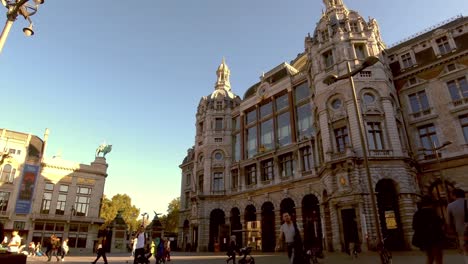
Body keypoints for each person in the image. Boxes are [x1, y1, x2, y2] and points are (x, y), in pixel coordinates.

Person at [412, 195, 445, 264]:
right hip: (435, 238)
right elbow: (439, 225)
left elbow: (414, 227)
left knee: (430, 257)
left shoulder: (417, 213)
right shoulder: (433, 212)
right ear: (431, 203)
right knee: (438, 258)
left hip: (424, 239)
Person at [448, 188, 468, 264]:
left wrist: (452, 233)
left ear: (454, 195)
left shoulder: (450, 206)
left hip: (461, 232)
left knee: (466, 251)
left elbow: (449, 222)